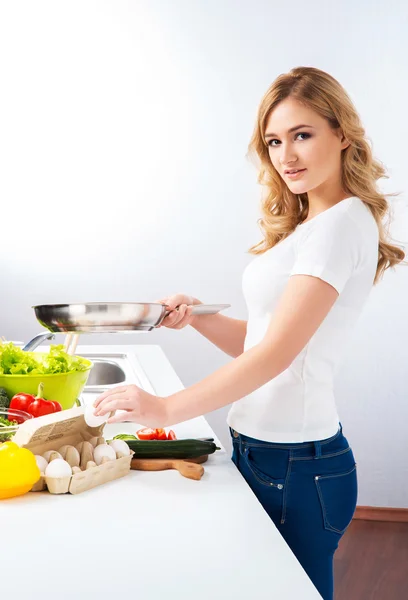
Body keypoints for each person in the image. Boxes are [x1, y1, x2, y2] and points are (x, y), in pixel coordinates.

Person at [93, 66, 405, 599]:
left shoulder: (342, 224)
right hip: (268, 452)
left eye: (303, 135)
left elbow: (277, 356)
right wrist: (200, 318)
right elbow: (263, 342)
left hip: (298, 463)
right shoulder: (313, 226)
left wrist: (165, 409)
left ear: (342, 134)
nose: (287, 156)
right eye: (275, 141)